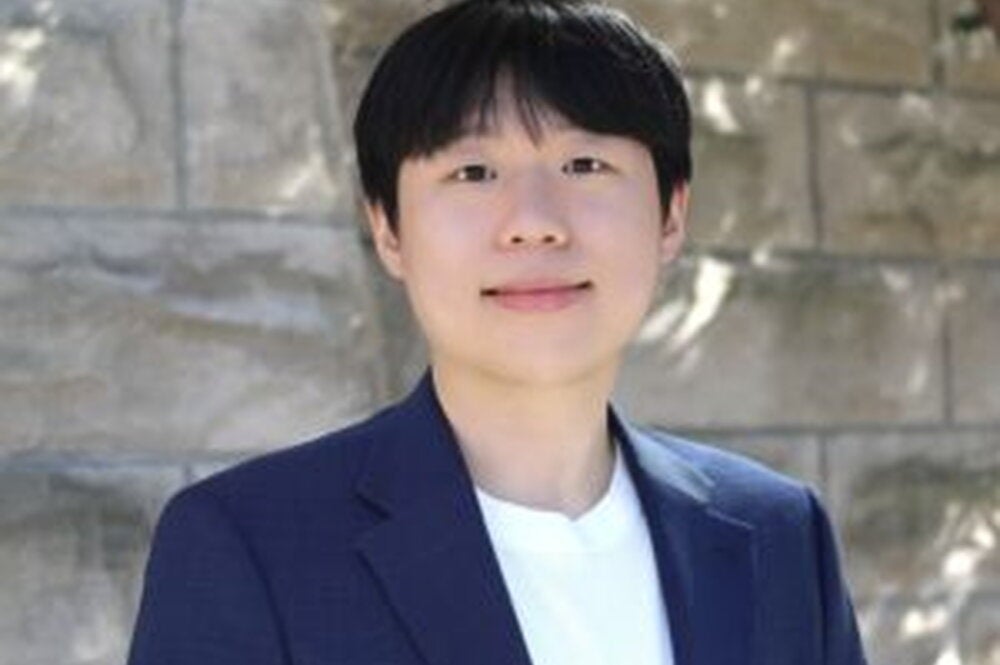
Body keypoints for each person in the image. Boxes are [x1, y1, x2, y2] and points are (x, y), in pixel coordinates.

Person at [127, 1, 868, 664]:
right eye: (474, 172)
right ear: (387, 228)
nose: (535, 223)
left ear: (671, 214)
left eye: (585, 163)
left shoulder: (779, 534)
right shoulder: (251, 544)